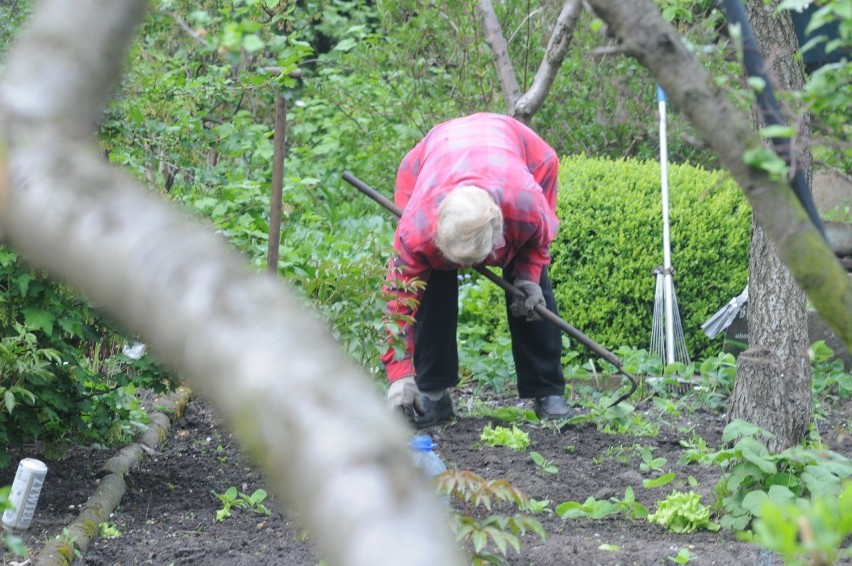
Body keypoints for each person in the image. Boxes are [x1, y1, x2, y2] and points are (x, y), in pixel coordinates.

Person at [382, 112, 571, 428]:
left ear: (500, 234)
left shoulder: (526, 206)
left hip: (507, 157)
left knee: (532, 297)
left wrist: (529, 275)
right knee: (427, 288)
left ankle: (547, 389)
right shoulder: (416, 229)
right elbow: (399, 302)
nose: (465, 268)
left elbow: (538, 240)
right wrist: (399, 374)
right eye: (457, 259)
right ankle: (433, 390)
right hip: (436, 158)